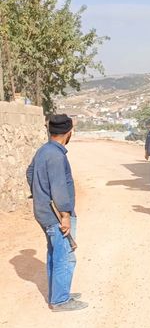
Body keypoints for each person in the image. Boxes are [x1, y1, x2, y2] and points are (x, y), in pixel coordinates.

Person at [26, 114, 87, 312]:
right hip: (56, 214)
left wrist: (40, 194)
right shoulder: (56, 155)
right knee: (65, 256)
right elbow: (59, 188)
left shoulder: (43, 150)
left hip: (44, 211)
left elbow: (29, 173)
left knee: (54, 252)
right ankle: (61, 300)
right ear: (68, 133)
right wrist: (66, 216)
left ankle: (59, 293)